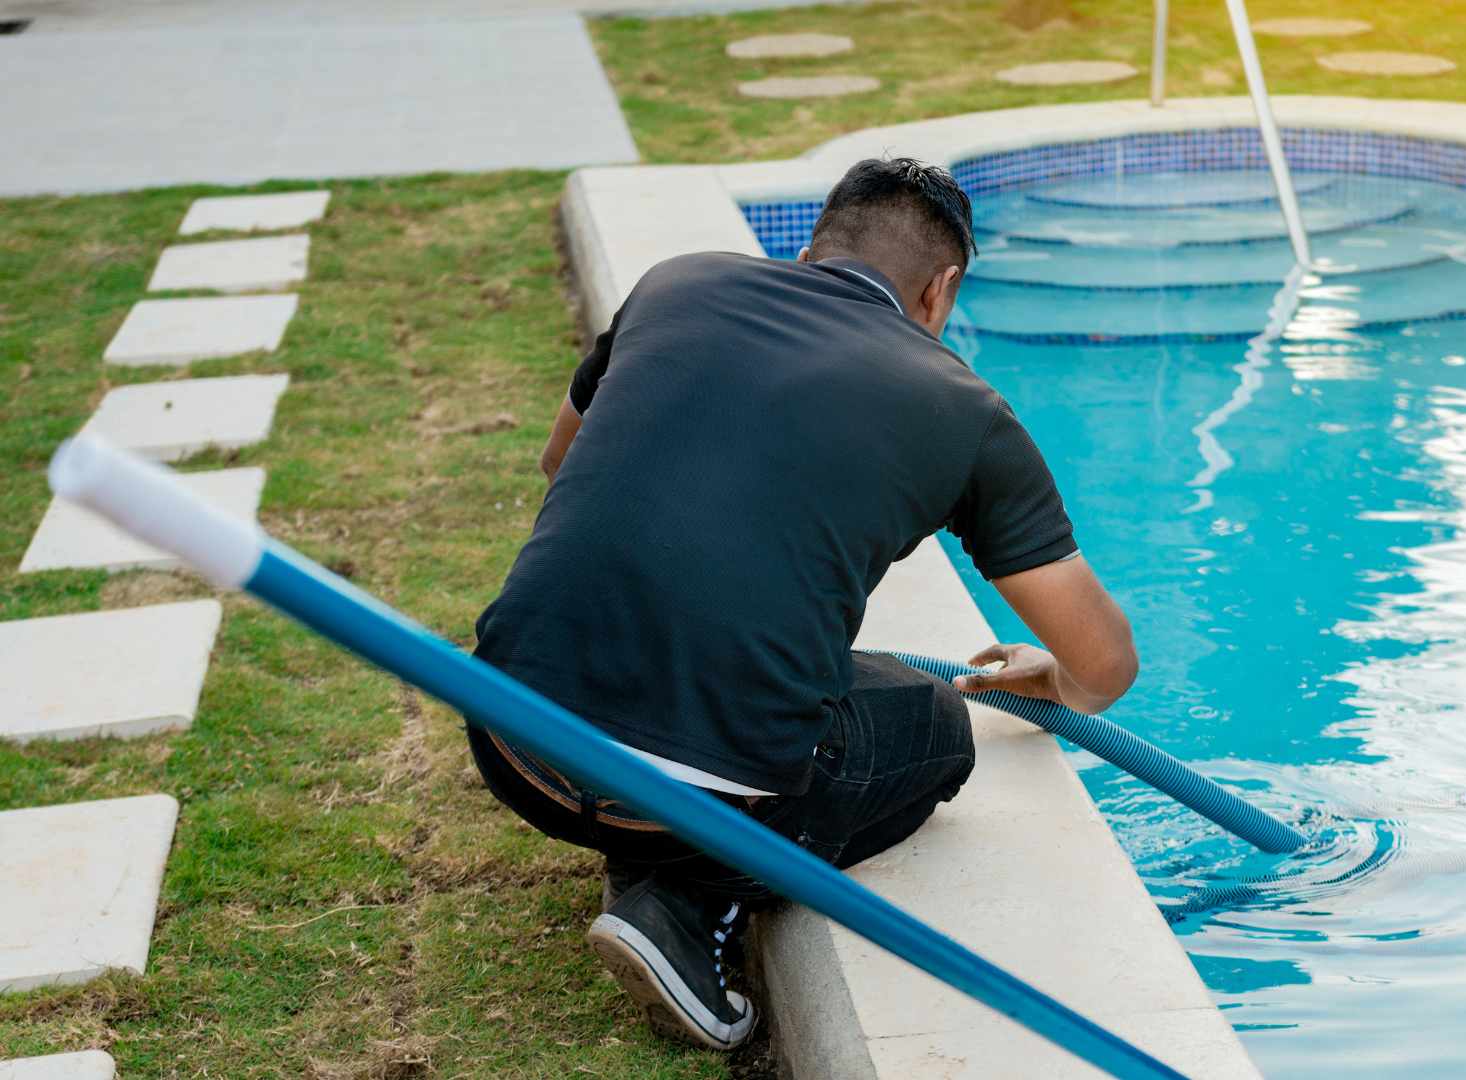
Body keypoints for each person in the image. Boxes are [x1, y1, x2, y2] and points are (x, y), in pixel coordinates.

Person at [467, 157, 1137, 1050]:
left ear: (815, 244)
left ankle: (653, 833)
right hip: (702, 791)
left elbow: (560, 465)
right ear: (941, 290)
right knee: (932, 723)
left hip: (512, 737)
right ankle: (687, 900)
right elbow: (1106, 668)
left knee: (861, 678)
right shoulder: (961, 405)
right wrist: (1053, 678)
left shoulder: (677, 283)